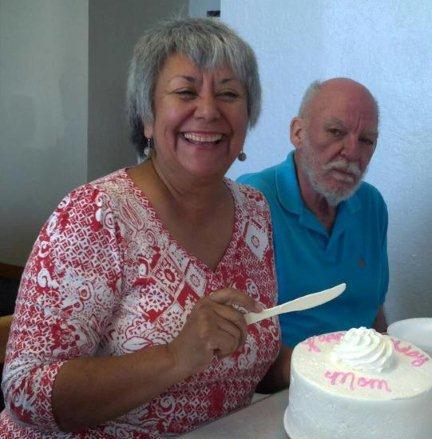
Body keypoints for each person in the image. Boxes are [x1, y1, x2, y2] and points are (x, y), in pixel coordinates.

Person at [0, 18, 287, 438]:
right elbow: (25, 392)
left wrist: (329, 362)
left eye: (229, 94)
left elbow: (248, 356)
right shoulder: (94, 215)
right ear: (147, 117)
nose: (209, 110)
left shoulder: (255, 211)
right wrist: (175, 356)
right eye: (186, 92)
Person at [238, 78, 388, 369]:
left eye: (366, 140)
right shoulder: (252, 201)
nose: (352, 152)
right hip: (282, 383)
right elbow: (240, 334)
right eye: (336, 132)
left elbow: (373, 308)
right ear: (298, 132)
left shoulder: (372, 205)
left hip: (362, 378)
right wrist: (325, 373)